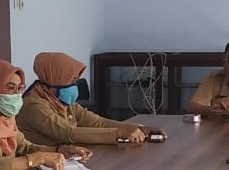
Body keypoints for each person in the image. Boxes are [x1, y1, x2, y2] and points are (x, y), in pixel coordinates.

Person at [18, 51, 168, 146]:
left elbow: (97, 122)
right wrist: (118, 133)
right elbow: (68, 133)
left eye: (76, 80)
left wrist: (137, 128)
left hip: (64, 159)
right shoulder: (33, 105)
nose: (74, 85)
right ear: (54, 79)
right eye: (71, 80)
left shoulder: (60, 100)